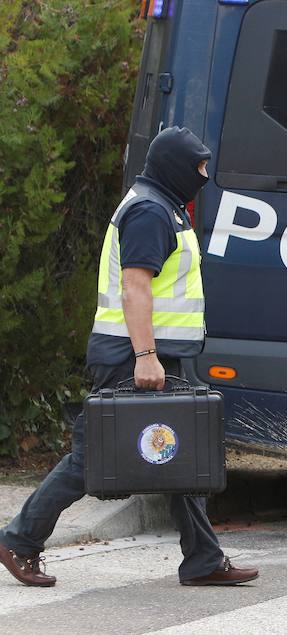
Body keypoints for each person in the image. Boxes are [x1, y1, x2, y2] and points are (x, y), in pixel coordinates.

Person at [0, 127, 258, 588]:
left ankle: (202, 559)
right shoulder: (148, 211)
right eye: (198, 166)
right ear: (176, 167)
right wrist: (146, 356)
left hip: (155, 353)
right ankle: (19, 541)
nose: (204, 174)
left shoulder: (164, 206)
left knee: (185, 454)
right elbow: (135, 287)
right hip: (132, 355)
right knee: (93, 457)